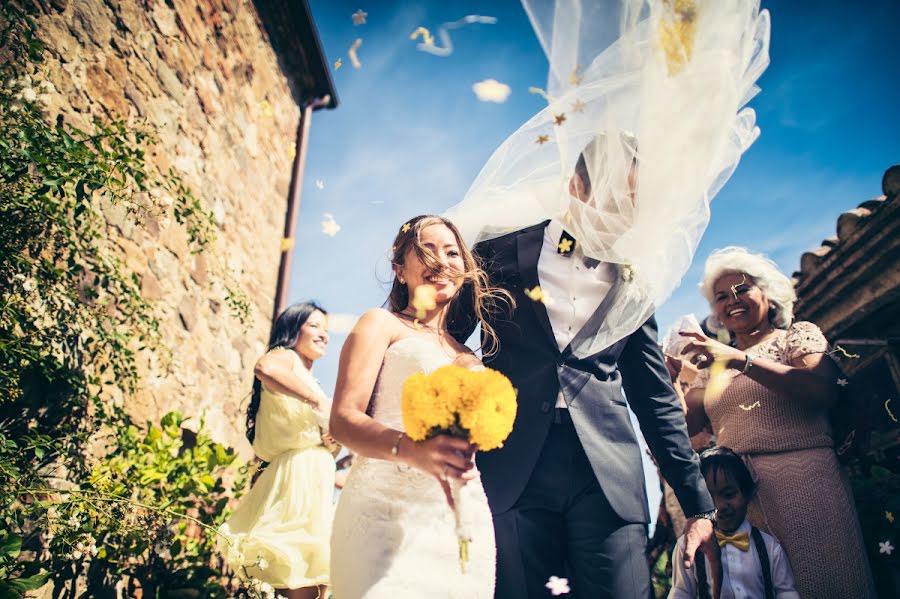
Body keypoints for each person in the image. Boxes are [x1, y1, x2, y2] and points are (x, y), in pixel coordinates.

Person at [449, 135, 719, 598]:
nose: (625, 219)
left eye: (635, 206)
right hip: (512, 466)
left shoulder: (635, 280)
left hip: (607, 474)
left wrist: (699, 507)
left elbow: (653, 396)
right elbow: (446, 340)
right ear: (575, 186)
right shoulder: (498, 250)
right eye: (616, 202)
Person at [328, 215, 513, 598]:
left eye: (451, 252)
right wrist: (410, 450)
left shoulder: (472, 356)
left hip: (460, 519)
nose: (441, 262)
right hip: (381, 509)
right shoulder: (381, 324)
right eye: (426, 250)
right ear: (399, 270)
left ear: (464, 269)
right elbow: (344, 420)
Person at [681, 247, 876, 598]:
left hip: (807, 486)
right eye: (721, 297)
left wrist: (739, 360)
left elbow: (821, 390)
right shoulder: (710, 367)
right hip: (741, 502)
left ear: (767, 294)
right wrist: (670, 374)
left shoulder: (795, 336)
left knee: (826, 584)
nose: (732, 301)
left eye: (742, 290)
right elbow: (688, 429)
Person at [219, 302, 335, 599]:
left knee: (317, 582)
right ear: (293, 329)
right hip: (297, 480)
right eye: (314, 326)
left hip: (317, 482)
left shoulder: (311, 380)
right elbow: (265, 367)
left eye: (326, 328)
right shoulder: (286, 357)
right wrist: (318, 402)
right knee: (299, 571)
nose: (324, 335)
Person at [670, 446, 799, 599]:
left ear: (747, 493)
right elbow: (681, 591)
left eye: (729, 494)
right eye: (709, 498)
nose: (720, 506)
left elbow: (786, 591)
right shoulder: (687, 547)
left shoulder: (770, 547)